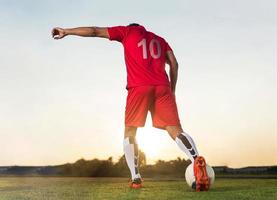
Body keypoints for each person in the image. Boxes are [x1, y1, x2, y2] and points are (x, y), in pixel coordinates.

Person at [52, 23, 209, 191]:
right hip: (163, 87)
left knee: (130, 131)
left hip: (139, 87)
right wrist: (172, 90)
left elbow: (94, 31)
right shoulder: (160, 39)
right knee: (175, 130)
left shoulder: (127, 32)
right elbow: (174, 64)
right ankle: (196, 161)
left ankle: (136, 177)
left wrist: (66, 31)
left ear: (131, 27)